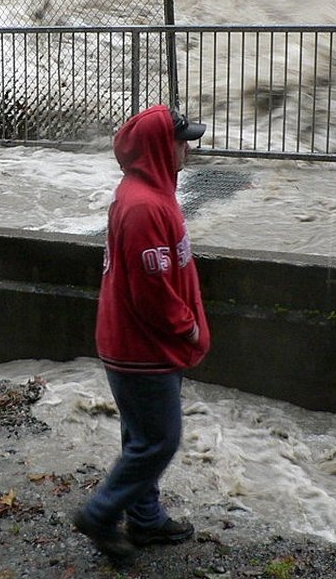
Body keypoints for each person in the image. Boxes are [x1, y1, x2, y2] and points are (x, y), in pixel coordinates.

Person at [71, 104, 211, 567]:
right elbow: (153, 291)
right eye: (181, 140)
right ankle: (100, 513)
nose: (187, 148)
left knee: (141, 436)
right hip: (141, 346)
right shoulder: (145, 207)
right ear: (159, 146)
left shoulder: (148, 194)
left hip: (133, 341)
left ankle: (146, 520)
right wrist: (187, 327)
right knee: (159, 441)